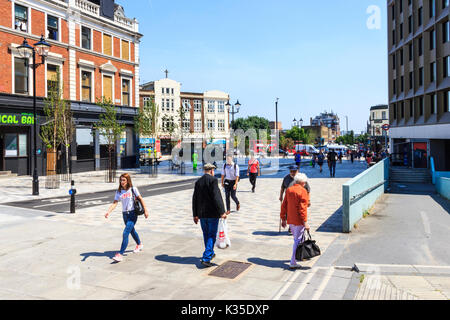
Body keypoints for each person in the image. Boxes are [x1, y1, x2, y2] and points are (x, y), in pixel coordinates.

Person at [105, 173, 149, 263]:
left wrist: (145, 210)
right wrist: (108, 211)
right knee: (132, 230)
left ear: (128, 180)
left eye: (124, 180)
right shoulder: (119, 191)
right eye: (121, 180)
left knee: (125, 233)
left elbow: (140, 199)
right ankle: (139, 244)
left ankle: (120, 254)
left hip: (133, 214)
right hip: (124, 215)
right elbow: (115, 203)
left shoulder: (133, 189)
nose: (122, 182)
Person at [192, 163, 228, 268]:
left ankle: (210, 252)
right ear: (212, 171)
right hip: (212, 214)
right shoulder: (213, 180)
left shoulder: (198, 182)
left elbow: (195, 199)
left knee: (206, 235)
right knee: (212, 235)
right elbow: (217, 197)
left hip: (202, 214)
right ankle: (206, 258)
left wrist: (195, 214)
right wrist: (222, 212)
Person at [280, 173, 310, 269]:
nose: (305, 184)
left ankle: (299, 256)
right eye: (305, 182)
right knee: (297, 240)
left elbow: (284, 205)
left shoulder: (289, 190)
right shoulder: (303, 191)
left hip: (291, 220)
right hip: (299, 220)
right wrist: (305, 222)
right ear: (302, 182)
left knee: (297, 239)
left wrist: (283, 218)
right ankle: (293, 261)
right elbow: (302, 209)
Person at [279, 166, 311, 235]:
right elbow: (282, 188)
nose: (293, 173)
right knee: (289, 212)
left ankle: (294, 226)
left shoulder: (301, 179)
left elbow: (308, 190)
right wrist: (281, 196)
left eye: (294, 171)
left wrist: (308, 200)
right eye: (291, 171)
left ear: (298, 171)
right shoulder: (286, 178)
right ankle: (291, 226)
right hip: (289, 198)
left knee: (298, 212)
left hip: (299, 199)